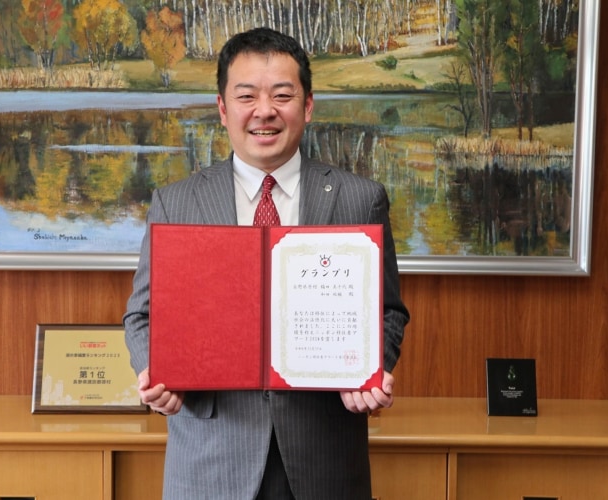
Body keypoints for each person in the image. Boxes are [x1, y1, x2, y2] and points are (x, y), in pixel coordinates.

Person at [123, 27, 409, 500]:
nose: (264, 111)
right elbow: (142, 314)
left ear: (308, 105)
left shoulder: (361, 199)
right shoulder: (176, 203)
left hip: (324, 458)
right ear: (222, 109)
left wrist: (371, 366)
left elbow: (388, 311)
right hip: (211, 461)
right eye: (247, 96)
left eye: (282, 95)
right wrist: (154, 371)